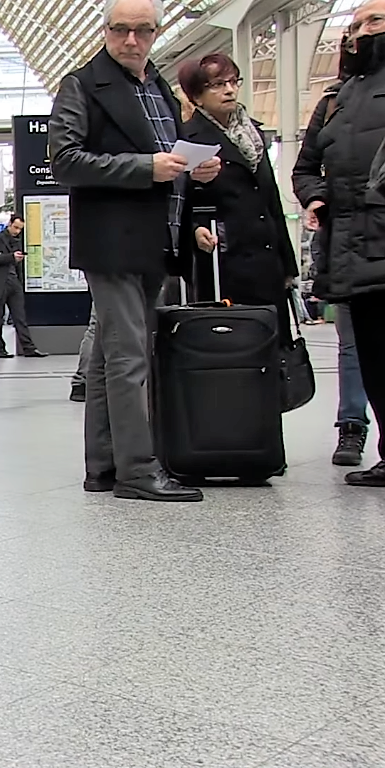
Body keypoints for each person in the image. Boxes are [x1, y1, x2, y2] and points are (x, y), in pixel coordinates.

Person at [49, 0, 221, 503]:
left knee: (109, 358)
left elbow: (169, 152)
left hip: (152, 238)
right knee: (129, 356)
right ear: (105, 31)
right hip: (113, 239)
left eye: (142, 30)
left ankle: (105, 465)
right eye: (121, 29)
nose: (131, 39)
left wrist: (193, 167)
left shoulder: (158, 86)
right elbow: (66, 160)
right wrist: (145, 167)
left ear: (155, 32)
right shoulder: (82, 85)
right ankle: (139, 470)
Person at [292, 0, 385, 486]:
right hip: (351, 247)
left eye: (374, 22)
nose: (362, 32)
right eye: (355, 25)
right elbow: (304, 168)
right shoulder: (335, 99)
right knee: (370, 352)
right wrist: (316, 198)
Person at [178, 53, 297, 337]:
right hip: (223, 263)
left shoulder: (254, 134)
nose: (229, 90)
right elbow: (178, 199)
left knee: (275, 346)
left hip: (267, 261)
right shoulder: (187, 140)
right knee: (233, 348)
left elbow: (271, 202)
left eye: (233, 81)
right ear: (196, 95)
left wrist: (288, 265)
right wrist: (193, 230)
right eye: (217, 85)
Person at [0, 216, 47, 359]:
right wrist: (11, 257)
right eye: (16, 227)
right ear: (9, 224)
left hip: (14, 281)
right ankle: (0, 348)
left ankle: (28, 348)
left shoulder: (17, 241)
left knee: (20, 316)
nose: (17, 231)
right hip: (0, 282)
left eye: (20, 229)